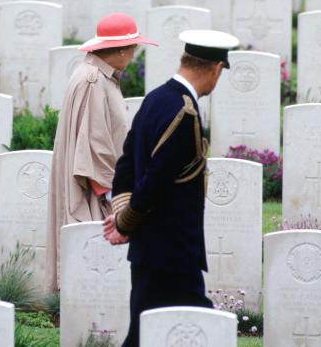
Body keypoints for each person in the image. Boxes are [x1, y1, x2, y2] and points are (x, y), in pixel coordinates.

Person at [103, 30, 240, 346]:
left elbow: (126, 164)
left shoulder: (156, 98)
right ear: (216, 69)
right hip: (173, 249)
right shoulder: (185, 111)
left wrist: (125, 217)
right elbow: (156, 180)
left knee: (145, 332)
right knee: (199, 329)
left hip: (151, 248)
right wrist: (125, 223)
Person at [44, 12, 157, 293]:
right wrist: (113, 192)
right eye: (133, 47)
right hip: (97, 188)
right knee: (94, 256)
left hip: (104, 181)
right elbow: (94, 145)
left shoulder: (100, 76)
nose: (134, 53)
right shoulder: (93, 81)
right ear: (119, 50)